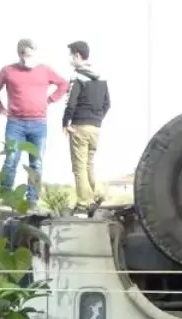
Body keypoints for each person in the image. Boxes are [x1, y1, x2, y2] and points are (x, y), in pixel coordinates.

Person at [0, 39, 69, 208]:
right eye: (26, 55)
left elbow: (63, 84)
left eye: (32, 54)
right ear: (20, 54)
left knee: (36, 163)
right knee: (11, 160)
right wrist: (0, 108)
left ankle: (32, 199)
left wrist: (50, 99)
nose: (29, 58)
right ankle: (5, 197)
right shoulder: (8, 70)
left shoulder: (44, 70)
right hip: (15, 123)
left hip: (39, 124)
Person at [62, 40, 111, 213]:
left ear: (77, 56)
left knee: (79, 167)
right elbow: (107, 103)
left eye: (71, 55)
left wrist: (65, 123)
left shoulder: (78, 77)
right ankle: (98, 194)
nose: (69, 59)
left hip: (79, 126)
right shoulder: (101, 78)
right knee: (90, 163)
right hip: (95, 127)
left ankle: (83, 203)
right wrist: (97, 119)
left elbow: (71, 103)